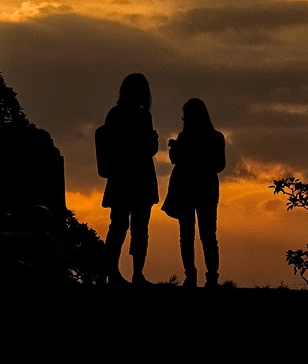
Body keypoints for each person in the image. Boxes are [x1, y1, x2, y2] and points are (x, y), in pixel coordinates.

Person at [97, 72, 159, 287]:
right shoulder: (143, 116)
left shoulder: (115, 114)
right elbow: (148, 149)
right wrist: (153, 140)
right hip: (139, 178)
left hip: (122, 179)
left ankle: (114, 272)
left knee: (119, 226)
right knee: (138, 228)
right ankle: (135, 274)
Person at [162, 98, 226, 290]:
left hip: (198, 189)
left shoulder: (214, 137)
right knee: (198, 236)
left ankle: (205, 277)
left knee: (199, 236)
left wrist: (200, 158)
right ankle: (200, 276)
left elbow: (219, 165)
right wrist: (175, 150)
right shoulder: (195, 138)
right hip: (193, 190)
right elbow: (176, 160)